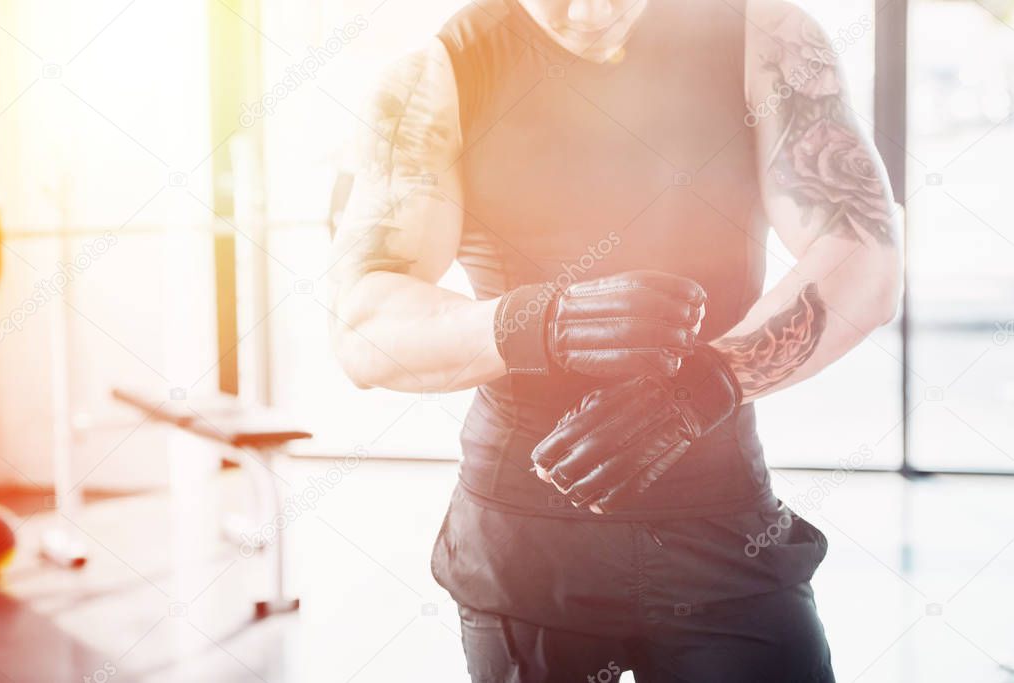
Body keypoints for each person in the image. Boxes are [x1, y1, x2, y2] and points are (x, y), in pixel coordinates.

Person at [329, 0, 902, 680]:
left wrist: (703, 386)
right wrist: (536, 324)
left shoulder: (763, 35)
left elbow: (863, 259)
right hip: (525, 540)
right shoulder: (436, 73)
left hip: (721, 519)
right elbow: (363, 324)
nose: (592, 10)